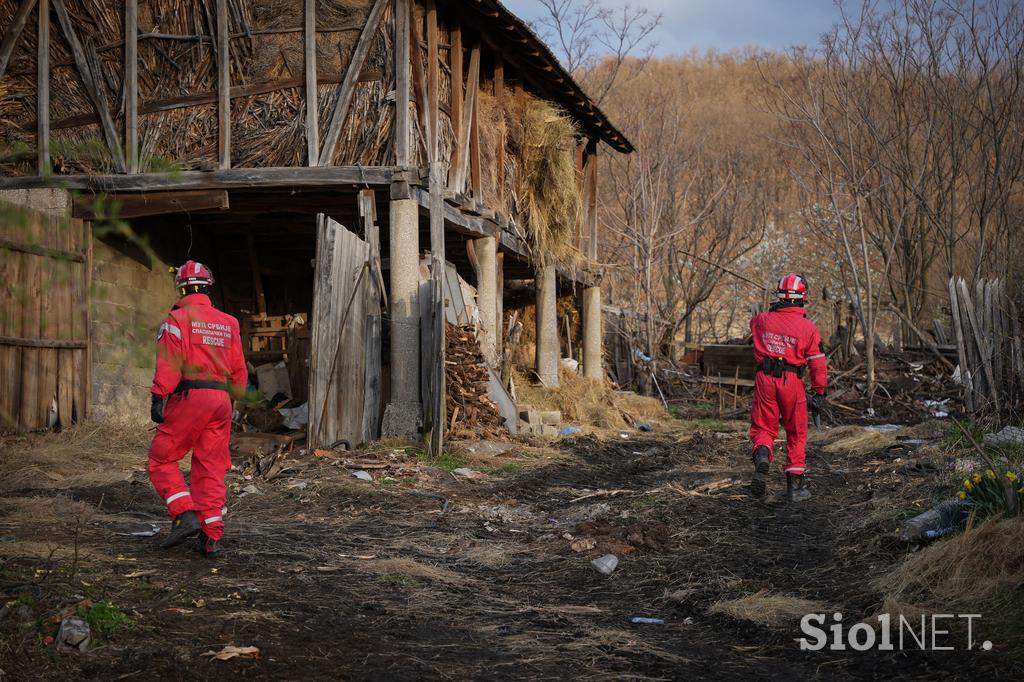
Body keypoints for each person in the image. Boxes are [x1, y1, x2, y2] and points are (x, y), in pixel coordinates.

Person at [148, 261, 247, 556]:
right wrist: (234, 400)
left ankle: (184, 515)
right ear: (208, 286)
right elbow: (239, 369)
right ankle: (211, 534)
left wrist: (158, 395)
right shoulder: (229, 322)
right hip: (222, 402)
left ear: (181, 287)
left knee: (161, 460)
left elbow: (170, 362)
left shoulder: (177, 319)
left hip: (191, 396)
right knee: (211, 467)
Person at [749, 273, 827, 502]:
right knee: (796, 431)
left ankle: (762, 455)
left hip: (764, 378)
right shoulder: (808, 328)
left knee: (763, 426)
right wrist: (819, 392)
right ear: (802, 297)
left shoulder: (761, 320)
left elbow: (755, 326)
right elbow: (818, 365)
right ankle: (796, 486)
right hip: (791, 382)